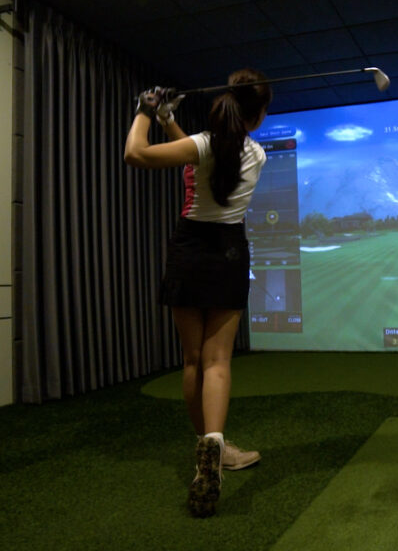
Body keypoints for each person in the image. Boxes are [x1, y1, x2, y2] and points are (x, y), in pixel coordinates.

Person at [123, 69, 273, 518]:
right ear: (258, 116)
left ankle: (207, 449)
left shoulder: (204, 145)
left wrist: (145, 112)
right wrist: (168, 119)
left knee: (193, 361)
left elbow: (136, 153)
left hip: (189, 249)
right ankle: (215, 445)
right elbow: (205, 157)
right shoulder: (257, 154)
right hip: (229, 251)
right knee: (217, 361)